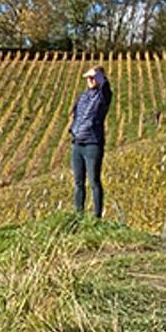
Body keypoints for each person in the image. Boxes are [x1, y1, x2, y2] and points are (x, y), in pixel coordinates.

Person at [68, 65, 112, 218]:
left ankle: (96, 217)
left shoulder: (103, 96)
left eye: (93, 77)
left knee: (94, 181)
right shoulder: (83, 96)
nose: (90, 80)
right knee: (78, 183)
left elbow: (105, 86)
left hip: (93, 143)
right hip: (77, 143)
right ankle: (78, 215)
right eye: (89, 77)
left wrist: (98, 74)